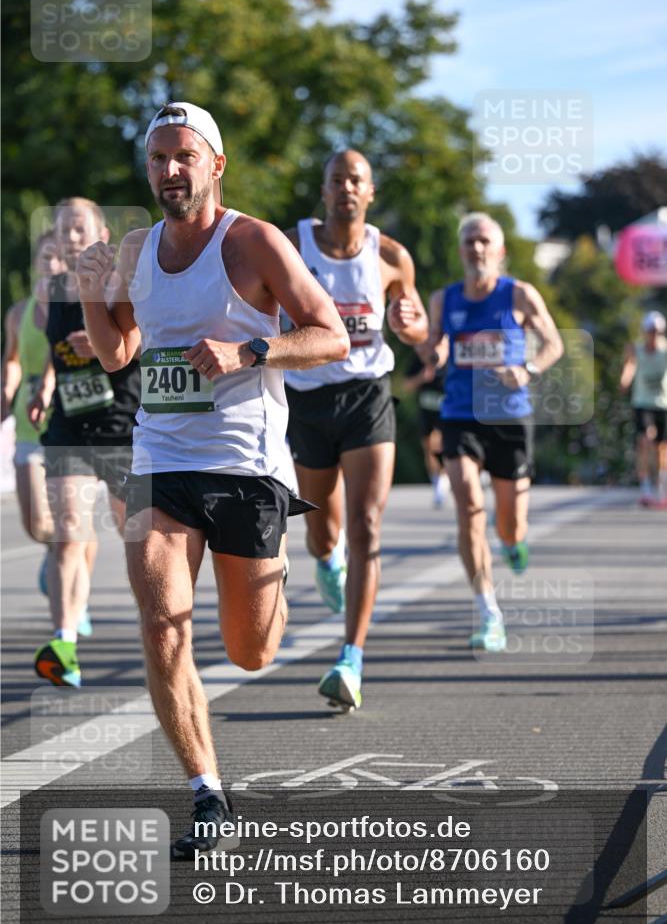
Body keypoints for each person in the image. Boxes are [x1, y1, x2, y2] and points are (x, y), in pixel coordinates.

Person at [78, 102, 349, 857]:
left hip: (246, 467)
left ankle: (278, 581)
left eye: (182, 156)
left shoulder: (253, 242)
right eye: (157, 157)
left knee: (250, 652)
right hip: (160, 461)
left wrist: (250, 353)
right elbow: (116, 354)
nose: (168, 170)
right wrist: (93, 293)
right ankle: (206, 793)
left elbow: (330, 334)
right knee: (163, 627)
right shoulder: (135, 247)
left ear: (214, 166)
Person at [283, 149, 428, 711]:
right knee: (322, 529)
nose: (346, 187)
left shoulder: (390, 255)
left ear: (371, 192)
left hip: (368, 395)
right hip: (308, 398)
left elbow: (416, 329)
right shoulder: (293, 247)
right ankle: (326, 558)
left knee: (367, 522)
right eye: (336, 179)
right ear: (323, 192)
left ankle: (351, 657)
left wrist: (411, 325)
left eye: (357, 180)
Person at [426, 212, 563, 651]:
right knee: (468, 504)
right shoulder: (443, 300)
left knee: (510, 523)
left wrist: (528, 368)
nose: (477, 249)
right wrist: (434, 347)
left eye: (484, 241)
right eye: (469, 241)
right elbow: (429, 349)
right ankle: (489, 611)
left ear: (499, 251)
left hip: (508, 416)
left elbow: (555, 343)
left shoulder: (520, 295)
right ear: (461, 250)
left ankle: (513, 541)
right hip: (460, 414)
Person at [30, 198, 141, 687]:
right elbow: (52, 353)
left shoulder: (122, 282)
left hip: (121, 426)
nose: (71, 238)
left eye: (79, 229)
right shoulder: (49, 292)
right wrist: (44, 385)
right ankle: (64, 643)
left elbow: (144, 343)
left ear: (100, 234)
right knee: (69, 531)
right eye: (62, 230)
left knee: (137, 540)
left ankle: (156, 634)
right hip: (69, 427)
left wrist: (100, 342)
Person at [1, 232, 63, 573]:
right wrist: (6, 393)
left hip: (68, 423)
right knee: (36, 523)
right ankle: (59, 556)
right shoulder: (18, 313)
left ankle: (69, 577)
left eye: (58, 257)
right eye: (45, 257)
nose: (51, 264)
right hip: (29, 425)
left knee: (71, 522)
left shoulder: (79, 309)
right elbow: (11, 359)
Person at [620, 310, 667, 507]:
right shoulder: (636, 349)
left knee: (661, 449)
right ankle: (646, 488)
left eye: (656, 331)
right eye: (650, 331)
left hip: (662, 404)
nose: (653, 335)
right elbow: (630, 366)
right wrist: (625, 380)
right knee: (645, 441)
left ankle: (661, 488)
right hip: (642, 403)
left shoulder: (665, 351)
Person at [403, 341, 450, 508]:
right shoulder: (420, 359)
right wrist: (421, 377)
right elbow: (406, 385)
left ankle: (443, 480)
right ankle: (437, 480)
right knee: (428, 447)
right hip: (426, 411)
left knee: (440, 444)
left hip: (446, 412)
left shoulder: (452, 359)